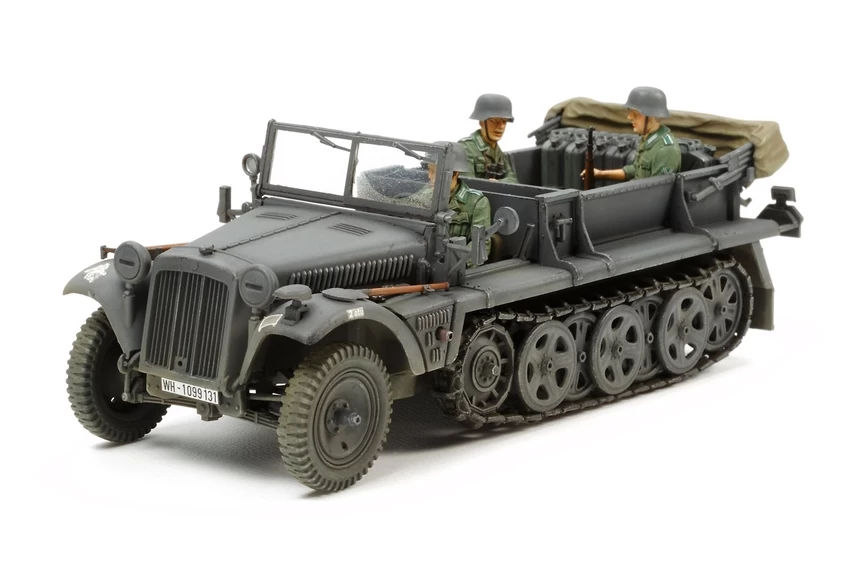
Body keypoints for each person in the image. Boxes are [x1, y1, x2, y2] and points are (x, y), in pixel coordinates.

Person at [584, 86, 681, 182]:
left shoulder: (666, 151)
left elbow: (657, 189)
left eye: (635, 114)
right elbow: (637, 169)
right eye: (630, 112)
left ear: (650, 116)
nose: (629, 117)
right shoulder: (648, 138)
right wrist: (601, 174)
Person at [419, 141, 493, 260]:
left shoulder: (477, 203)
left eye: (435, 171)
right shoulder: (425, 193)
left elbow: (480, 245)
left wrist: (457, 264)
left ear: (455, 174)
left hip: (455, 264)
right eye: (429, 170)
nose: (430, 176)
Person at [459, 94, 519, 183]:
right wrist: (490, 186)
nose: (501, 126)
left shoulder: (498, 152)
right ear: (481, 122)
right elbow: (467, 184)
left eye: (504, 121)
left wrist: (498, 183)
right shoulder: (466, 148)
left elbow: (513, 180)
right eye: (494, 121)